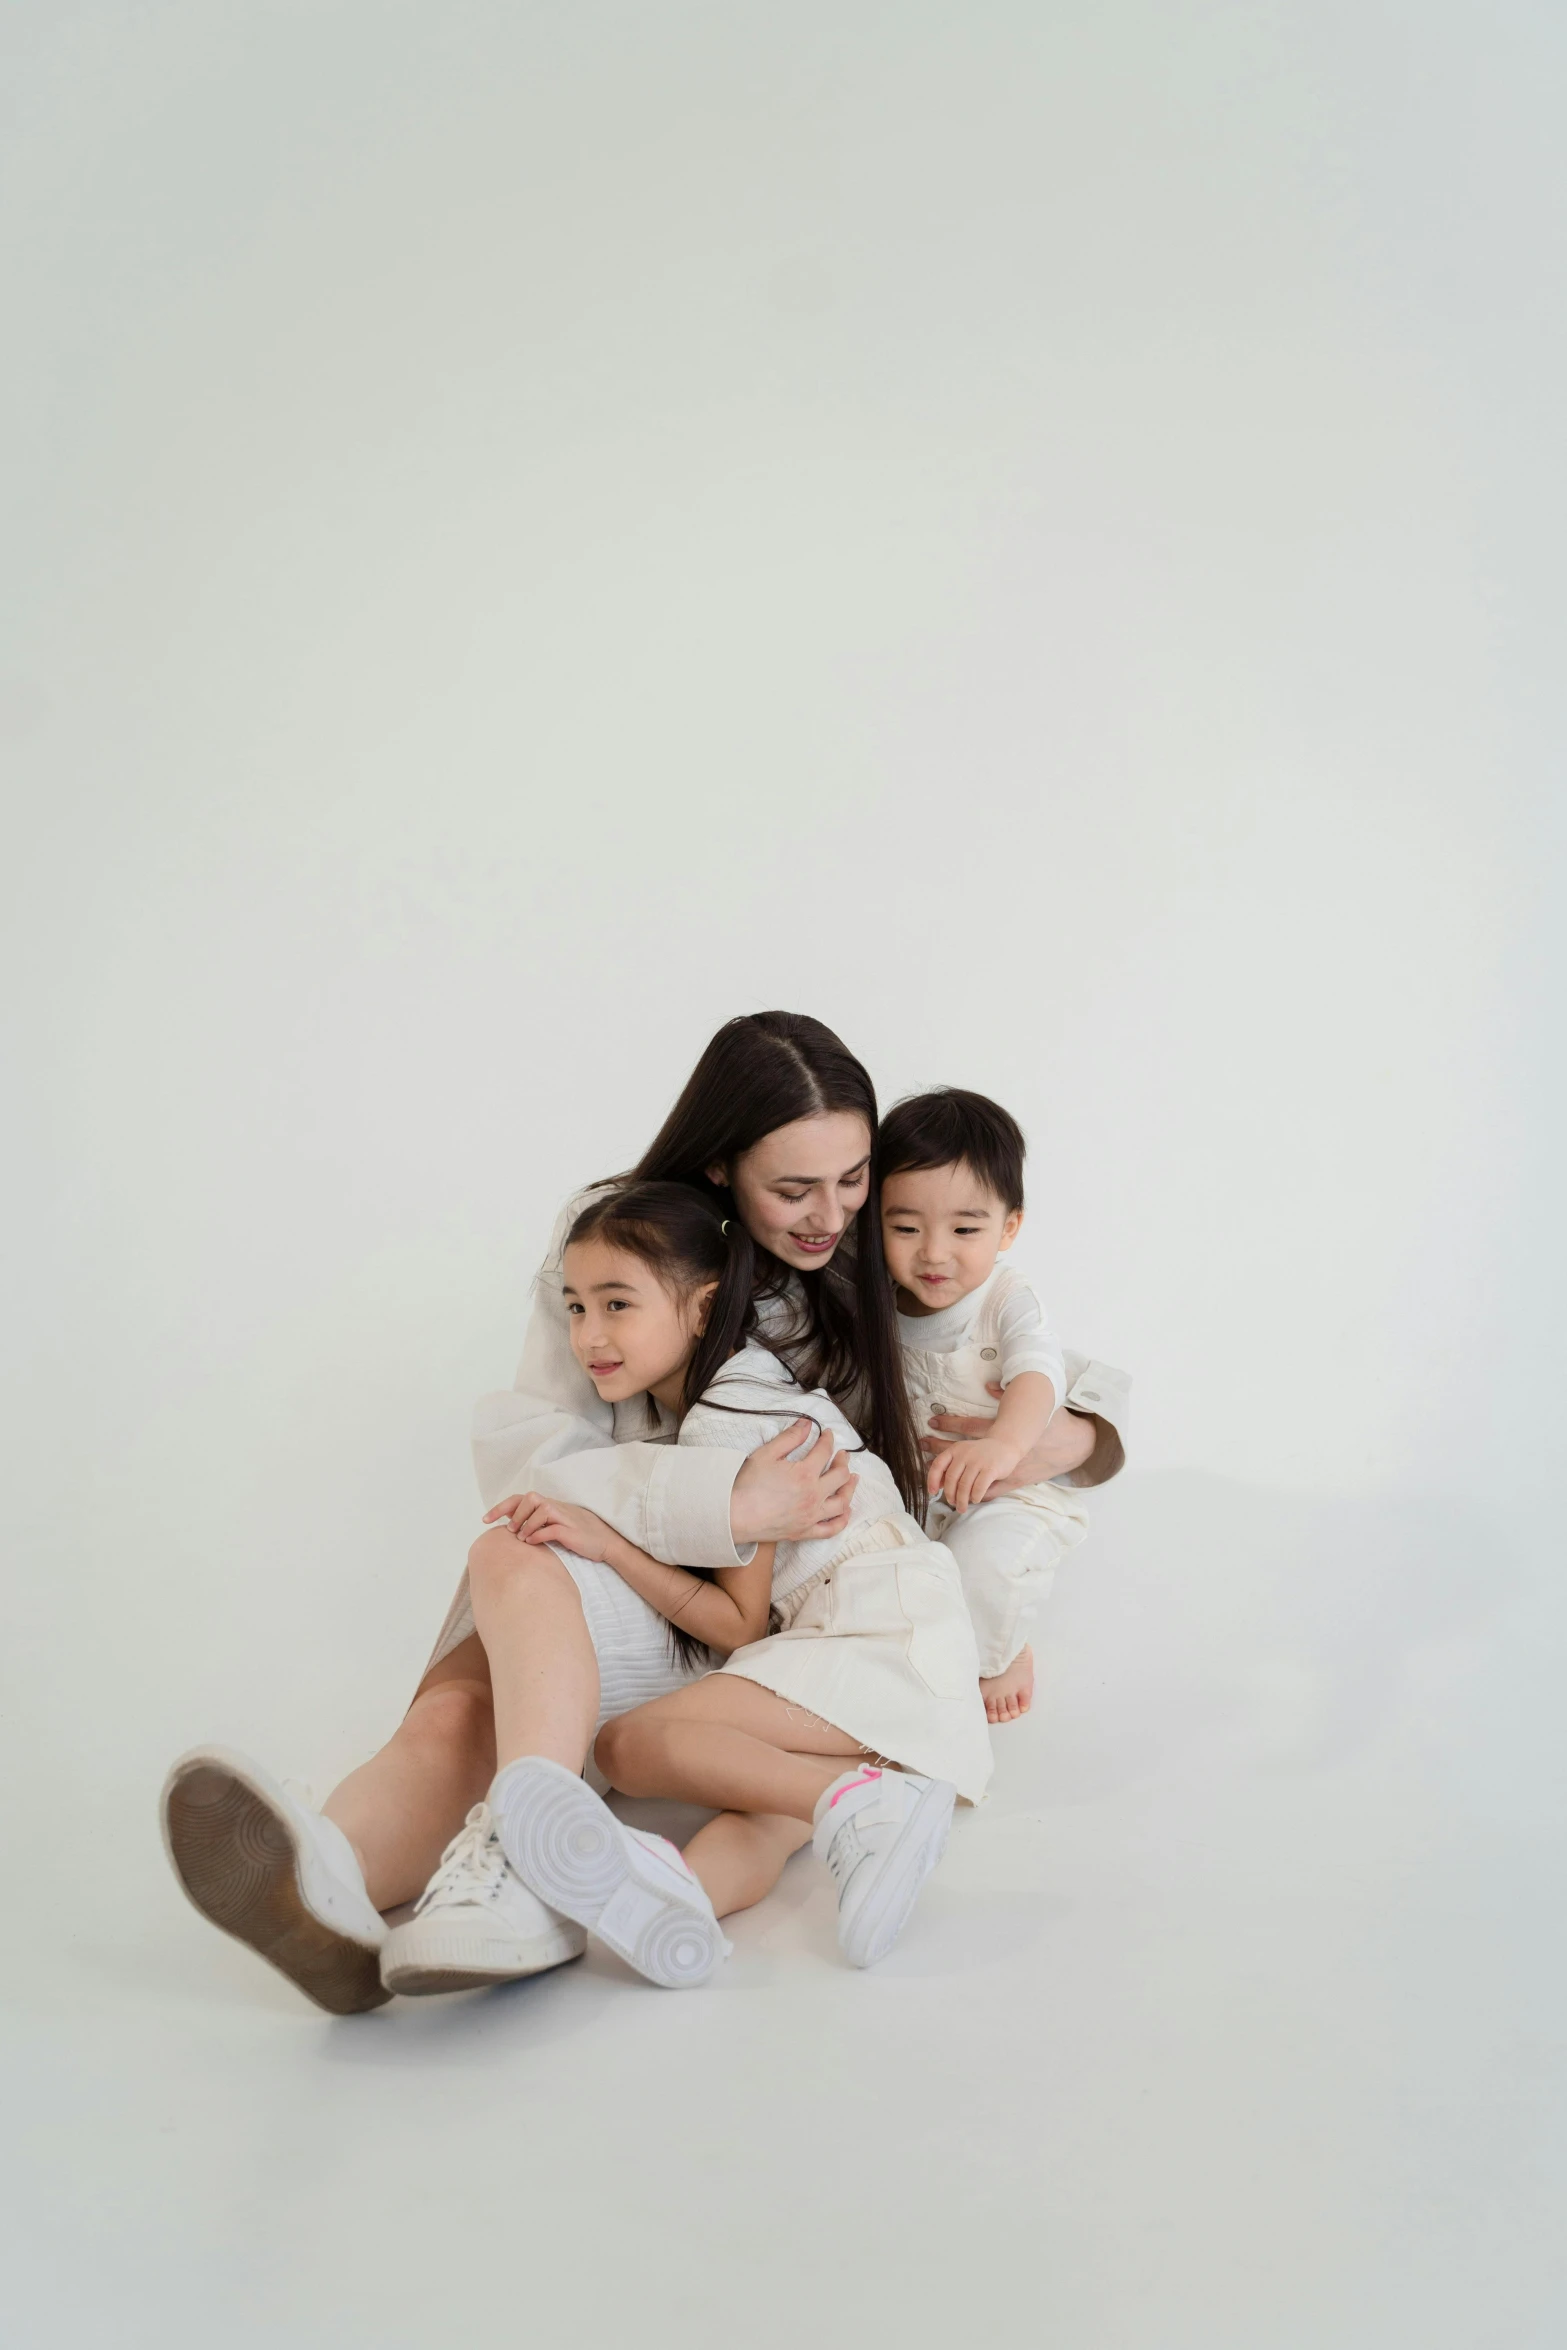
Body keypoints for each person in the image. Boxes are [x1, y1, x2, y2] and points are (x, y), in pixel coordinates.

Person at [160, 1014, 1123, 2012]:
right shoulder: (620, 1251)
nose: (830, 1213)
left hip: (761, 1617)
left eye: (853, 1178)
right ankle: (339, 1889)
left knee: (519, 1629)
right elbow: (535, 1458)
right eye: (793, 1188)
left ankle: (518, 1873)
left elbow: (1041, 1366)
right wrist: (728, 1500)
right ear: (718, 1168)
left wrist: (1051, 1446)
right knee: (475, 1657)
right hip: (660, 1578)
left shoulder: (877, 1249)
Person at [477, 1180, 988, 1984]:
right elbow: (743, 1623)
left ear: (703, 1304)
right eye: (575, 1308)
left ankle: (862, 1802)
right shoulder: (736, 1397)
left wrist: (610, 1545)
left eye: (617, 1305)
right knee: (757, 1820)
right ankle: (677, 1907)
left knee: (630, 1744)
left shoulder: (724, 1418)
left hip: (876, 1624)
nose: (588, 1336)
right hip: (889, 1637)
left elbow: (734, 1626)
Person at [880, 1086, 1129, 1724]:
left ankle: (1002, 1656)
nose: (933, 1252)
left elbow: (1039, 1375)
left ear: (1008, 1227)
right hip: (931, 1492)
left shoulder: (1008, 1299)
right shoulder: (878, 1300)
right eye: (905, 1227)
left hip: (1019, 1488)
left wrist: (1005, 1446)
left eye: (965, 1229)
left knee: (983, 1566)